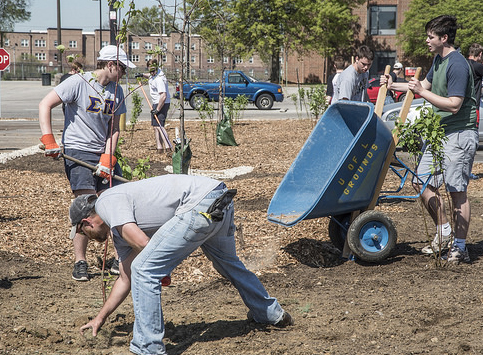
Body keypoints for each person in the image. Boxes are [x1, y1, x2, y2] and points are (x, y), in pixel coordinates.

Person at [75, 175, 293, 354]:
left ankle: (148, 348)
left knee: (144, 269)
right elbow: (125, 278)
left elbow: (142, 245)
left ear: (87, 222)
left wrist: (161, 266)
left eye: (82, 232)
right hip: (219, 197)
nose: (87, 237)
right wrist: (100, 318)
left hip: (199, 203)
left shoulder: (105, 203)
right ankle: (271, 314)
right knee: (228, 263)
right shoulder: (118, 229)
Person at [382, 15, 477, 263]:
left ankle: (459, 247)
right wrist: (394, 85)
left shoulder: (457, 64)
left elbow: (454, 105)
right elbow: (421, 85)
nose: (427, 40)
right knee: (421, 182)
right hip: (439, 135)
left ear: (443, 38)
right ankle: (444, 230)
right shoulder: (439, 60)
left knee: (457, 191)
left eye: (430, 36)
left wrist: (423, 92)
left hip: (459, 134)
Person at [38, 45, 135, 281]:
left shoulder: (117, 91)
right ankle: (80, 262)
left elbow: (114, 129)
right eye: (122, 68)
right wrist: (49, 139)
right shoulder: (78, 82)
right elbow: (45, 104)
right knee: (86, 207)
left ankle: (119, 258)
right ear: (110, 64)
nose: (124, 73)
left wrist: (108, 157)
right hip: (78, 151)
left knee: (116, 205)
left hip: (102, 153)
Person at [145, 58, 171, 153]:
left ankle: (168, 147)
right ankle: (159, 148)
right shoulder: (154, 75)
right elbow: (150, 76)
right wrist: (142, 75)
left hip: (161, 103)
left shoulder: (159, 79)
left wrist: (158, 109)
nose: (151, 73)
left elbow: (163, 96)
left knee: (160, 126)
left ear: (156, 68)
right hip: (156, 103)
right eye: (150, 71)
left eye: (153, 70)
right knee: (156, 126)